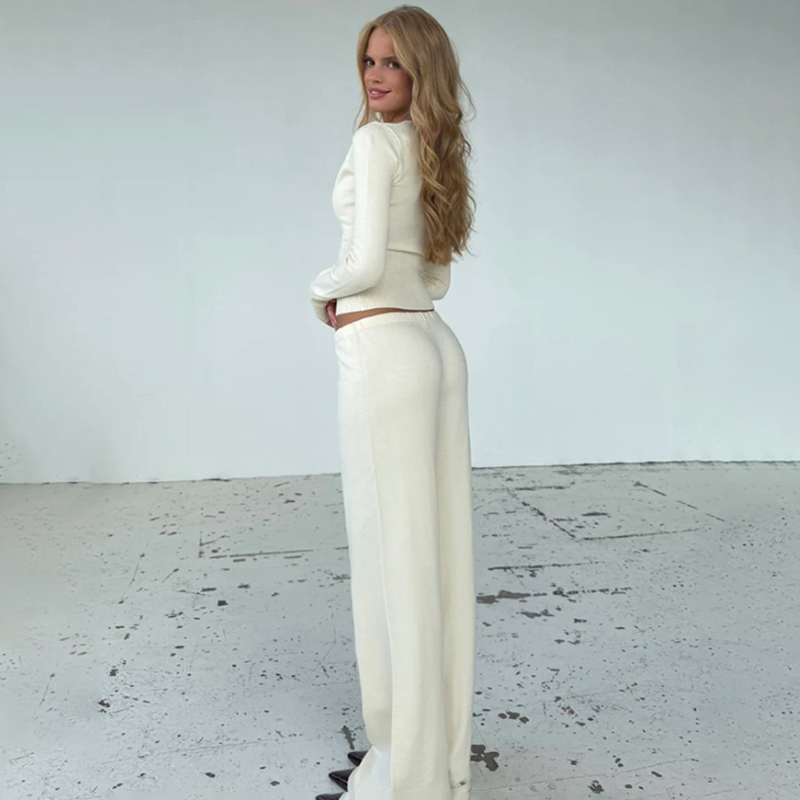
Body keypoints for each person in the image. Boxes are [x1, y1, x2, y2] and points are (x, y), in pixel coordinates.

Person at [309, 6, 477, 800]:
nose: (376, 76)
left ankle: (400, 773)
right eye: (369, 61)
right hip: (436, 345)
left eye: (394, 63)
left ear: (422, 73)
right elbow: (435, 275)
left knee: (389, 561)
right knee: (437, 561)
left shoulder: (376, 143)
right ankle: (429, 761)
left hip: (382, 352)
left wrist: (320, 290)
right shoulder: (435, 149)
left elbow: (364, 261)